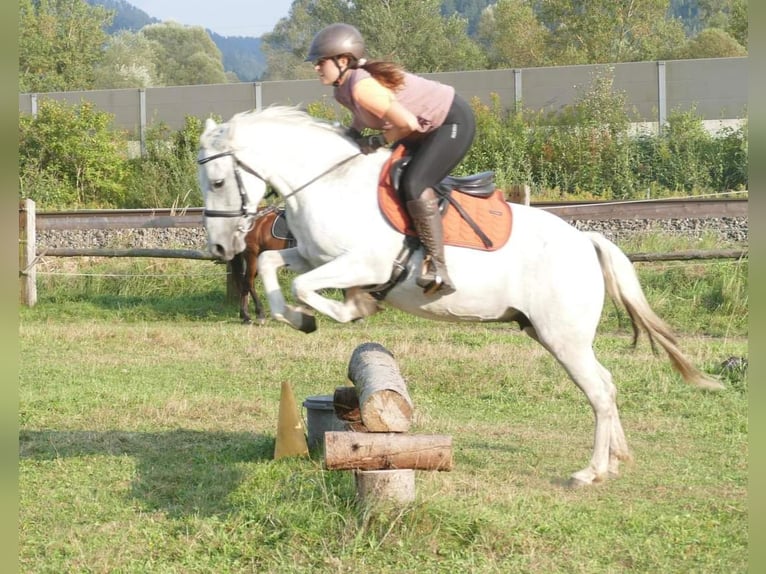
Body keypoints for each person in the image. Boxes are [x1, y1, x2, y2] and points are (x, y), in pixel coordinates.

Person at [306, 23, 476, 296]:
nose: (315, 68)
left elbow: (407, 123)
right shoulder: (342, 88)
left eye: (320, 62)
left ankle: (439, 267)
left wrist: (376, 141)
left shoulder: (361, 86)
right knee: (383, 177)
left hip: (450, 122)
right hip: (424, 130)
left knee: (414, 183)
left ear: (342, 60)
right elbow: (361, 119)